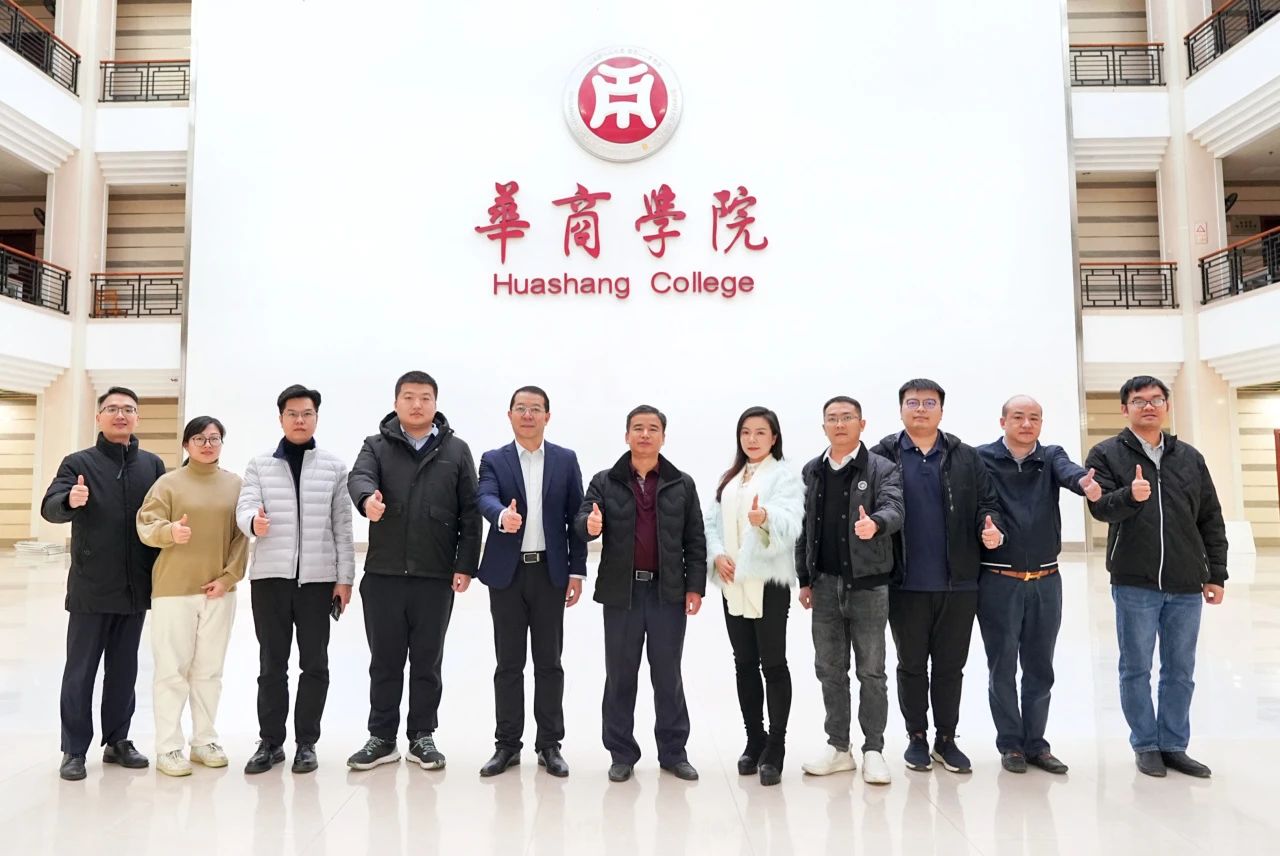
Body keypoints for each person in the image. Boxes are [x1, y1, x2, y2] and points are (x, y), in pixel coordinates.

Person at [1085, 375, 1228, 779]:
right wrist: (1130, 496)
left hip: (1186, 583)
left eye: (1155, 399)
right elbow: (1101, 508)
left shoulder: (1190, 457)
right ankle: (1146, 744)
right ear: (1124, 409)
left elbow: (1210, 517)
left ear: (1167, 405)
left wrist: (1216, 574)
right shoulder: (1106, 453)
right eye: (1139, 400)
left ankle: (1174, 745)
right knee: (1135, 668)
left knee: (1180, 670)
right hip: (1135, 581)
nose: (1148, 406)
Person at [346, 371, 481, 771]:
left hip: (434, 576)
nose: (417, 404)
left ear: (435, 404)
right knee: (384, 661)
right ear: (396, 403)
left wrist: (465, 565)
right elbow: (359, 477)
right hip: (384, 573)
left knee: (427, 661)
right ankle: (382, 738)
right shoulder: (376, 445)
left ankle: (422, 736)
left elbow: (470, 512)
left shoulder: (456, 450)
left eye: (424, 397)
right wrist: (367, 500)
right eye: (408, 397)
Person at [869, 378, 1004, 775]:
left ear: (942, 410)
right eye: (913, 402)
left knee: (949, 666)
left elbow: (987, 503)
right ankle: (916, 737)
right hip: (904, 582)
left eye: (929, 403)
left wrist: (990, 526)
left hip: (958, 582)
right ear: (901, 410)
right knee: (911, 665)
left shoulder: (966, 456)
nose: (921, 409)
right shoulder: (881, 456)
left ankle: (946, 739)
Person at [41, 386, 167, 780]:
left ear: (137, 417)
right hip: (91, 589)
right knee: (80, 672)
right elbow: (50, 507)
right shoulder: (78, 462)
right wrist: (70, 500)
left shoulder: (152, 465)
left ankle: (118, 741)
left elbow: (163, 514)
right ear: (99, 417)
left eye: (128, 409)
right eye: (112, 408)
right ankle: (74, 749)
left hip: (134, 588)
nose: (120, 415)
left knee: (124, 671)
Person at [576, 405, 707, 783]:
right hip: (622, 594)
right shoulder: (605, 481)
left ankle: (673, 753)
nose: (645, 434)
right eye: (638, 428)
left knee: (668, 676)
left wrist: (694, 587)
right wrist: (590, 525)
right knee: (620, 676)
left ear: (663, 436)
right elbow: (581, 522)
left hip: (668, 594)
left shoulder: (682, 484)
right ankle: (621, 754)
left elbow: (695, 539)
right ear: (626, 435)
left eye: (652, 428)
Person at [976, 395, 1101, 775]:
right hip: (999, 580)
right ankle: (1011, 744)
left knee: (1040, 667)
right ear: (1003, 422)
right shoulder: (981, 458)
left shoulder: (1050, 456)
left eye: (1034, 417)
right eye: (1018, 417)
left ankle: (1036, 744)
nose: (1027, 424)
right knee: (1002, 667)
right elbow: (978, 504)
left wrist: (1083, 482)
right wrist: (985, 528)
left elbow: (1069, 472)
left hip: (1046, 581)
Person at [236, 384, 355, 775]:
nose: (299, 420)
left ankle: (307, 743)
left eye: (307, 414)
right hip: (270, 579)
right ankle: (270, 743)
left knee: (315, 664)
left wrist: (344, 579)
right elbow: (246, 506)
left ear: (316, 418)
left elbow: (342, 526)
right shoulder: (259, 465)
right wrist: (253, 522)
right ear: (281, 418)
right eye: (292, 414)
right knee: (272, 664)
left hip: (318, 582)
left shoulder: (334, 468)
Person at [474, 386, 587, 778]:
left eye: (535, 409)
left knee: (549, 662)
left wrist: (576, 570)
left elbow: (577, 517)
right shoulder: (494, 459)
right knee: (508, 663)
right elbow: (484, 497)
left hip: (550, 574)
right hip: (507, 575)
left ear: (547, 416)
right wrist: (501, 516)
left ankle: (549, 745)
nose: (527, 415)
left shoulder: (565, 460)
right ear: (509, 415)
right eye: (520, 408)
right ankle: (507, 745)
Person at [796, 396, 903, 786]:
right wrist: (804, 579)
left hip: (868, 585)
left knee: (871, 671)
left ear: (862, 424)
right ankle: (839, 747)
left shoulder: (882, 468)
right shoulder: (812, 470)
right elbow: (804, 528)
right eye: (832, 419)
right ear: (824, 426)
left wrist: (875, 523)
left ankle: (873, 749)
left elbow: (895, 508)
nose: (839, 424)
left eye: (847, 418)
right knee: (829, 669)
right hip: (823, 584)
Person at [136, 416, 248, 777]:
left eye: (214, 438)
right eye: (199, 438)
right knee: (172, 671)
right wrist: (170, 531)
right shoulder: (168, 484)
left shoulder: (235, 485)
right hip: (173, 591)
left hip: (219, 591)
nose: (207, 444)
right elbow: (146, 525)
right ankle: (168, 747)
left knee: (209, 671)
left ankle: (204, 741)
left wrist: (228, 578)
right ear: (186, 445)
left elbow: (241, 537)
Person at [703, 406, 803, 786]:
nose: (752, 439)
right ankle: (754, 738)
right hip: (733, 582)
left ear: (774, 437)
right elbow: (710, 523)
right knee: (744, 662)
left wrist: (766, 521)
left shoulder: (784, 475)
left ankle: (775, 746)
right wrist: (718, 555)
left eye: (761, 432)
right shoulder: (730, 478)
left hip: (768, 583)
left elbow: (791, 521)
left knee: (773, 664)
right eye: (746, 432)